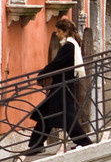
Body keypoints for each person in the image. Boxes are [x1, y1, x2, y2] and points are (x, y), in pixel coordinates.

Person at [25, 18, 92, 154]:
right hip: (63, 85)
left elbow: (57, 63)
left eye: (59, 31)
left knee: (65, 116)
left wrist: (42, 74)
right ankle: (35, 145)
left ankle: (84, 141)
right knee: (47, 114)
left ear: (66, 32)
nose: (57, 34)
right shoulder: (72, 44)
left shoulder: (69, 46)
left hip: (64, 86)